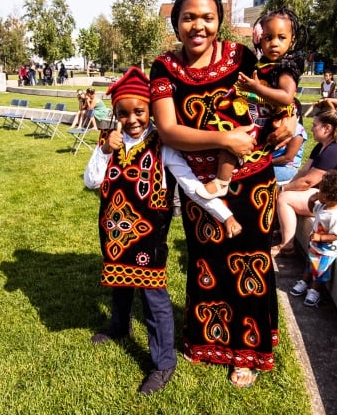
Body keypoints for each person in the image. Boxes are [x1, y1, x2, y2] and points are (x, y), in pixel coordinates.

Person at [150, 0, 295, 388]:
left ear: (220, 22)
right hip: (201, 187)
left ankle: (247, 353)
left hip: (254, 180)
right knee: (207, 262)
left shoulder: (240, 57)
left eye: (208, 17)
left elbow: (277, 91)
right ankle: (207, 340)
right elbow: (167, 129)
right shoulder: (164, 67)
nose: (198, 25)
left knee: (250, 260)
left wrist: (289, 119)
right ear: (176, 22)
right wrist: (225, 140)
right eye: (189, 17)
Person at [83, 67, 243, 395]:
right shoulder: (108, 142)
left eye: (139, 111)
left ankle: (164, 362)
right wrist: (104, 150)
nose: (132, 119)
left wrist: (222, 214)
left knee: (154, 299)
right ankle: (118, 326)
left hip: (148, 239)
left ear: (151, 111)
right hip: (115, 235)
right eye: (124, 113)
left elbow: (191, 185)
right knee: (119, 282)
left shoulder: (163, 147)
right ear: (115, 114)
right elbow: (91, 182)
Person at [197, 7, 300, 199]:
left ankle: (222, 181)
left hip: (267, 116)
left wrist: (256, 89)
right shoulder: (261, 63)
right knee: (229, 133)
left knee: (236, 137)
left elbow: (287, 97)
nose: (274, 44)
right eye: (268, 38)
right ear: (260, 39)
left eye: (281, 38)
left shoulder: (286, 68)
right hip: (254, 108)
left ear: (292, 40)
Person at [275, 107, 337, 258]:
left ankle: (287, 246)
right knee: (285, 193)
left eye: (315, 125)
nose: (311, 128)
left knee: (284, 198)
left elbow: (308, 181)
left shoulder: (335, 150)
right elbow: (304, 173)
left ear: (327, 128)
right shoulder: (321, 146)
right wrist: (286, 187)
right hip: (325, 195)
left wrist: (282, 190)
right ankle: (283, 230)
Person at [288, 169, 337, 307]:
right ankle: (304, 282)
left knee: (319, 273)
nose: (318, 192)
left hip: (326, 251)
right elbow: (312, 209)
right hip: (314, 247)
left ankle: (314, 291)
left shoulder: (336, 216)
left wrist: (320, 237)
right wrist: (312, 201)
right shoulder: (322, 207)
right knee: (309, 266)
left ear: (329, 196)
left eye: (321, 190)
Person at [272, 99, 308, 184]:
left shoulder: (298, 132)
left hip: (286, 167)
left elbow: (287, 158)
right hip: (274, 164)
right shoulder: (278, 126)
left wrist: (265, 162)